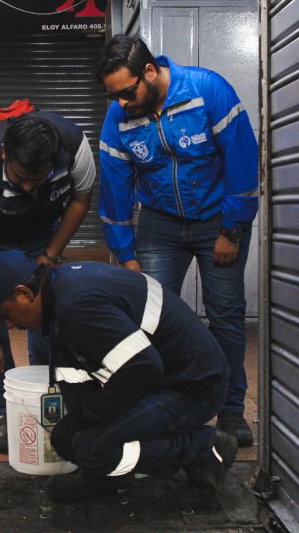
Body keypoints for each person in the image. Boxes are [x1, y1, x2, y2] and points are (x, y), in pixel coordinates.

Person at [95, 35, 259, 446]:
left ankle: (231, 410)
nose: (121, 104)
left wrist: (231, 230)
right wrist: (125, 254)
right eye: (112, 96)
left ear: (150, 72)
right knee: (148, 320)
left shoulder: (206, 91)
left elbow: (242, 159)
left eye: (127, 93)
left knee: (224, 316)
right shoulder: (118, 118)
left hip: (217, 221)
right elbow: (115, 191)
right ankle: (164, 404)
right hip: (159, 225)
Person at [0, 250, 240, 502]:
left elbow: (143, 368)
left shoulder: (77, 305)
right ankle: (108, 473)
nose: (9, 325)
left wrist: (89, 424)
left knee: (93, 449)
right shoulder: (56, 300)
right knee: (70, 440)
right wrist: (78, 424)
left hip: (195, 385)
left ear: (23, 293)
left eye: (5, 314)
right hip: (160, 378)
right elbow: (77, 378)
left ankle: (203, 448)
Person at [0, 110, 95, 452]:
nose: (27, 186)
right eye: (21, 177)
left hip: (40, 224)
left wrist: (51, 255)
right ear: (4, 155)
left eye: (37, 179)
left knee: (45, 302)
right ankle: (2, 409)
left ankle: (46, 393)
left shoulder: (73, 147)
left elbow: (81, 199)